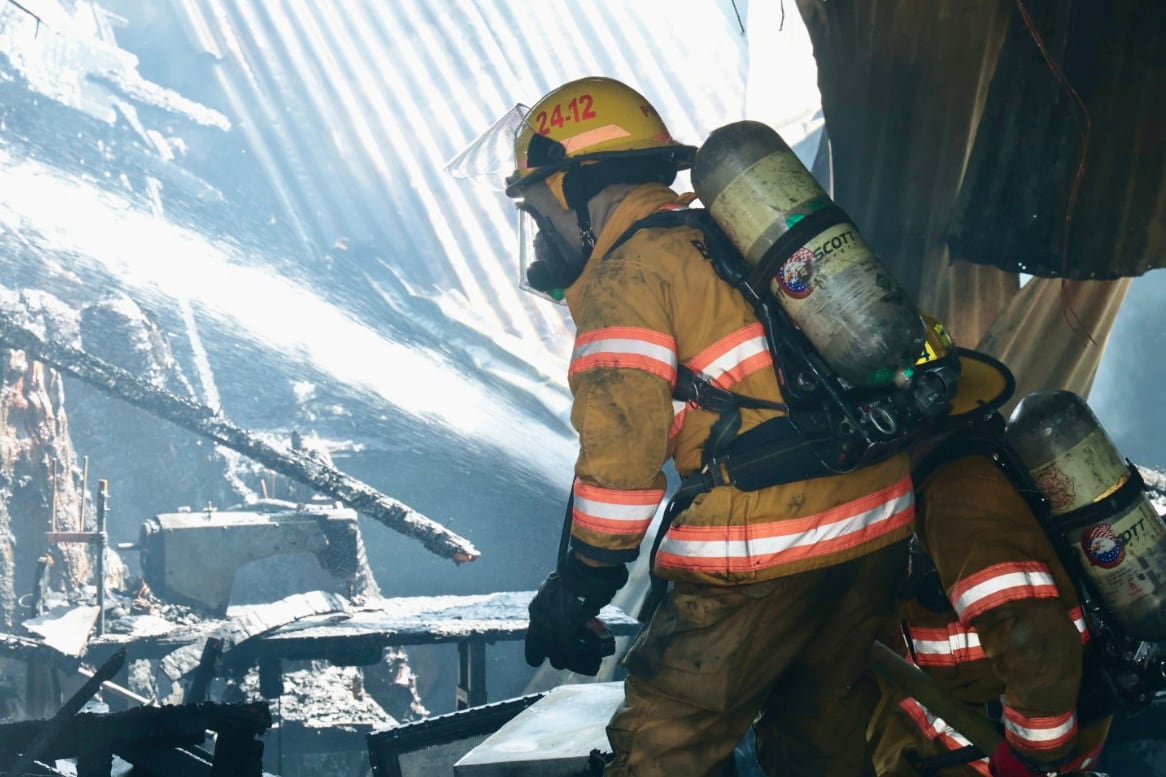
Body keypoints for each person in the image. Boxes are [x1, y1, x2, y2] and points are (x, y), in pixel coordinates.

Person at [451, 75, 924, 776]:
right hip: (875, 521)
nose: (541, 232)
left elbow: (621, 463)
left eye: (538, 207)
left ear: (572, 189)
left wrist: (578, 587)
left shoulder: (628, 275)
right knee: (817, 740)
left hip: (769, 548)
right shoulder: (719, 236)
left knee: (661, 748)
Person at [867, 389, 1113, 776]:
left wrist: (1031, 759)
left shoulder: (958, 493)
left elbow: (1030, 638)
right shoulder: (929, 499)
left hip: (1003, 760)